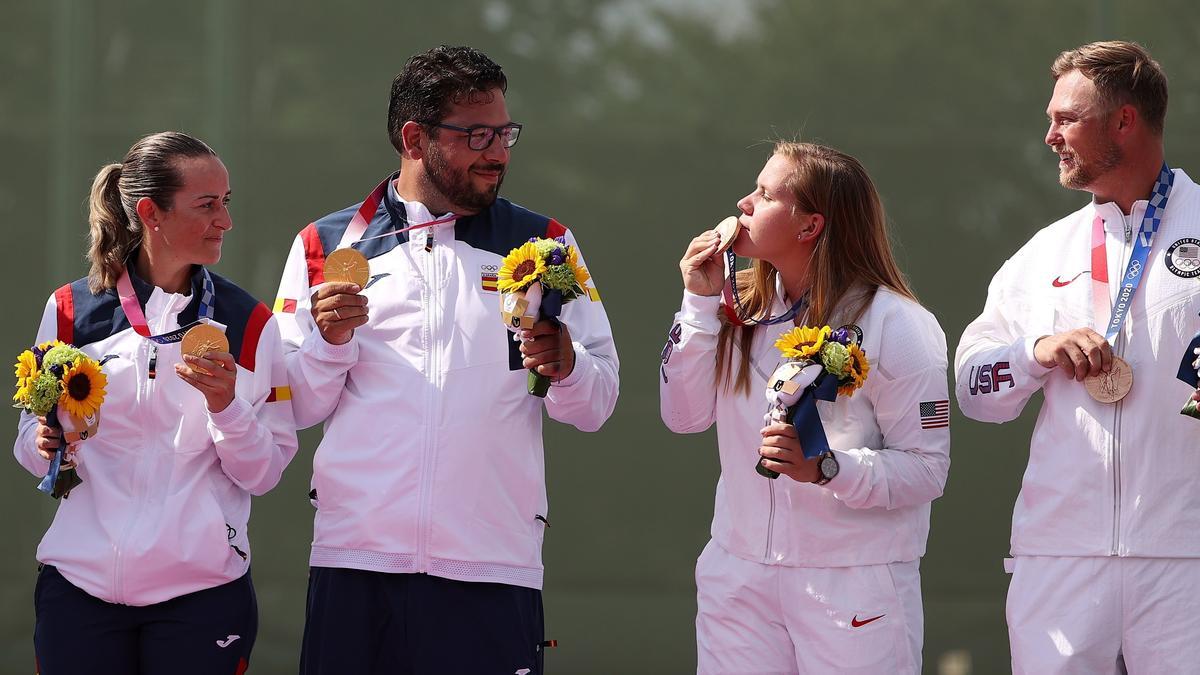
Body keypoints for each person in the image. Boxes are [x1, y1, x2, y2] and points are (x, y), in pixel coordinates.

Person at [273, 45, 619, 674]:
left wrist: (567, 367)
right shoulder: (325, 243)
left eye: (505, 132)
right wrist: (328, 345)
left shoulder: (547, 244)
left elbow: (599, 402)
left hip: (493, 562)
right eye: (478, 135)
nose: (499, 152)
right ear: (415, 138)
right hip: (356, 562)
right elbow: (291, 406)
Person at [13, 131, 298, 674]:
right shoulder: (71, 309)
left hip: (202, 597)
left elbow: (263, 472)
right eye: (207, 205)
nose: (225, 220)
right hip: (79, 588)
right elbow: (30, 444)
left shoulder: (251, 324)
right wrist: (50, 440)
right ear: (152, 213)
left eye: (227, 203)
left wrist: (227, 407)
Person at [955, 41, 1200, 673]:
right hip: (1060, 556)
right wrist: (1036, 353)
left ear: (1124, 120)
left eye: (1066, 118)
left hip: (1187, 555)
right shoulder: (1045, 254)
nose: (1049, 135)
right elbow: (971, 387)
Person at [661, 141, 950, 674]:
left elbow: (928, 470)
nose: (744, 203)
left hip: (852, 580)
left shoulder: (899, 324)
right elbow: (683, 417)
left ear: (809, 226)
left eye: (766, 195)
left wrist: (828, 468)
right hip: (738, 574)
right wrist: (698, 303)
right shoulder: (735, 307)